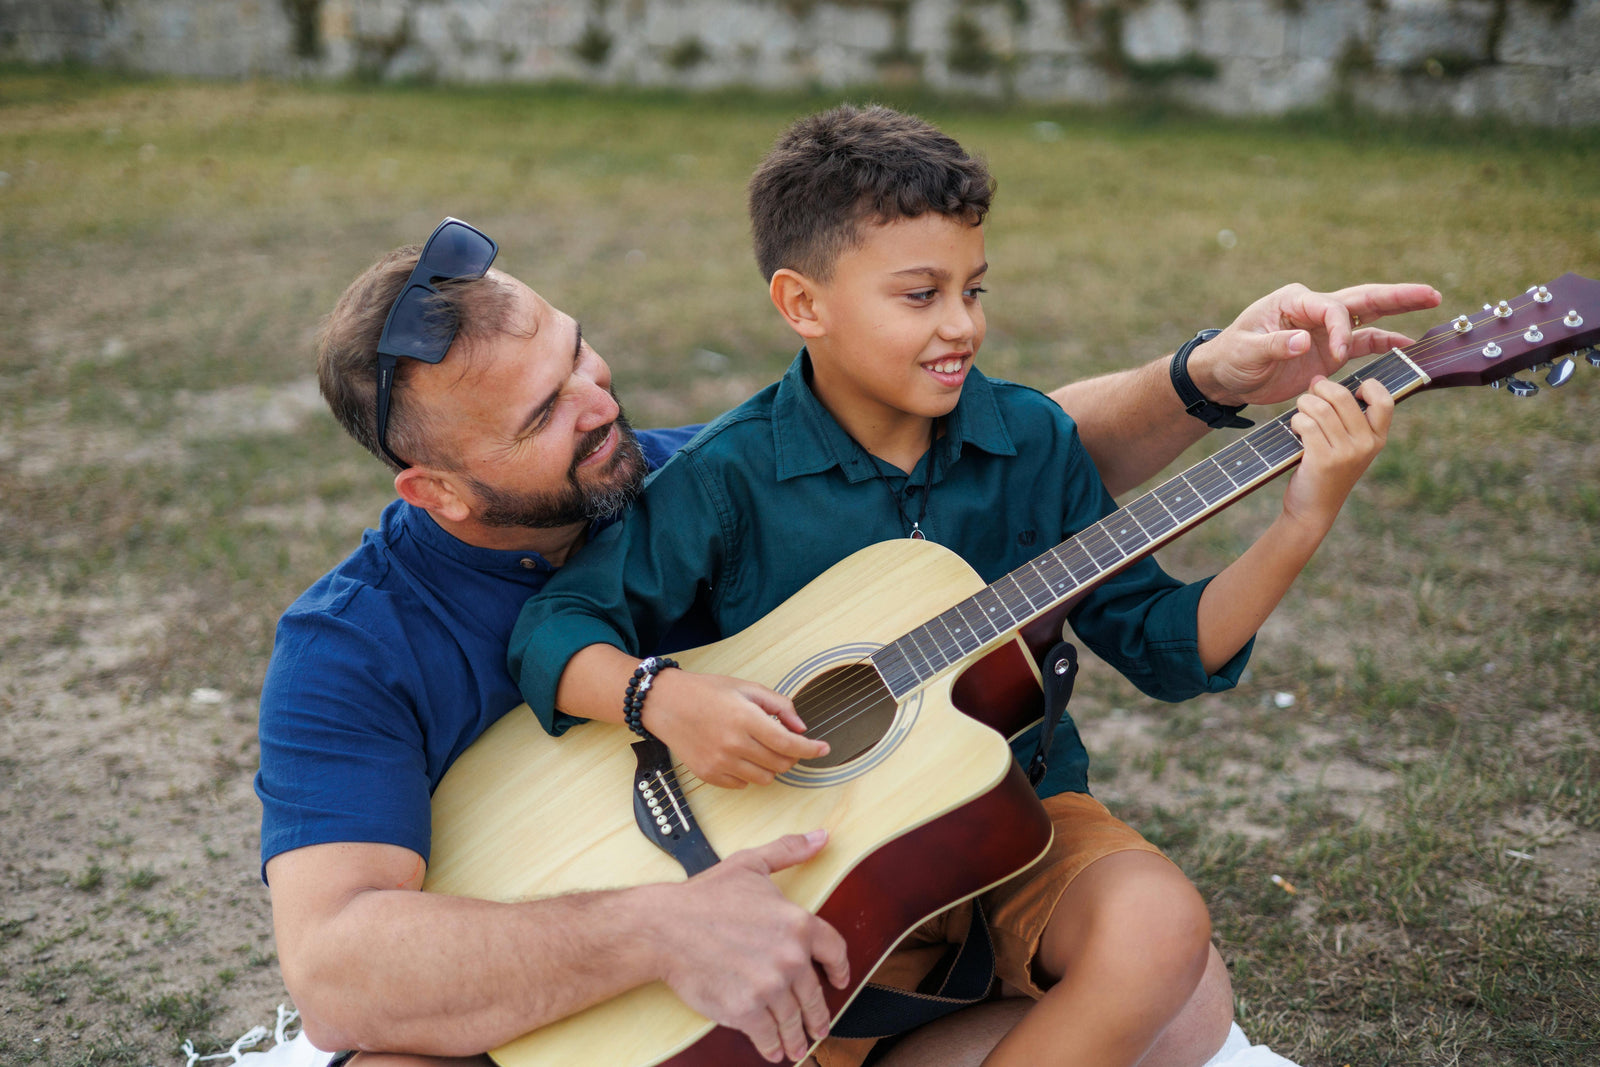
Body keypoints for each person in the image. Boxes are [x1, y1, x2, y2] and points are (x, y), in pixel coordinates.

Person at [257, 202, 1439, 1066]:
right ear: (440, 492)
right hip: (574, 1009)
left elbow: (1019, 459)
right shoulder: (351, 643)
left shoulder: (680, 480)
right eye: (543, 412)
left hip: (826, 947)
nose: (600, 403)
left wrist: (1204, 377)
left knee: (1175, 990)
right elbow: (340, 970)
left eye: (578, 354)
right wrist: (658, 931)